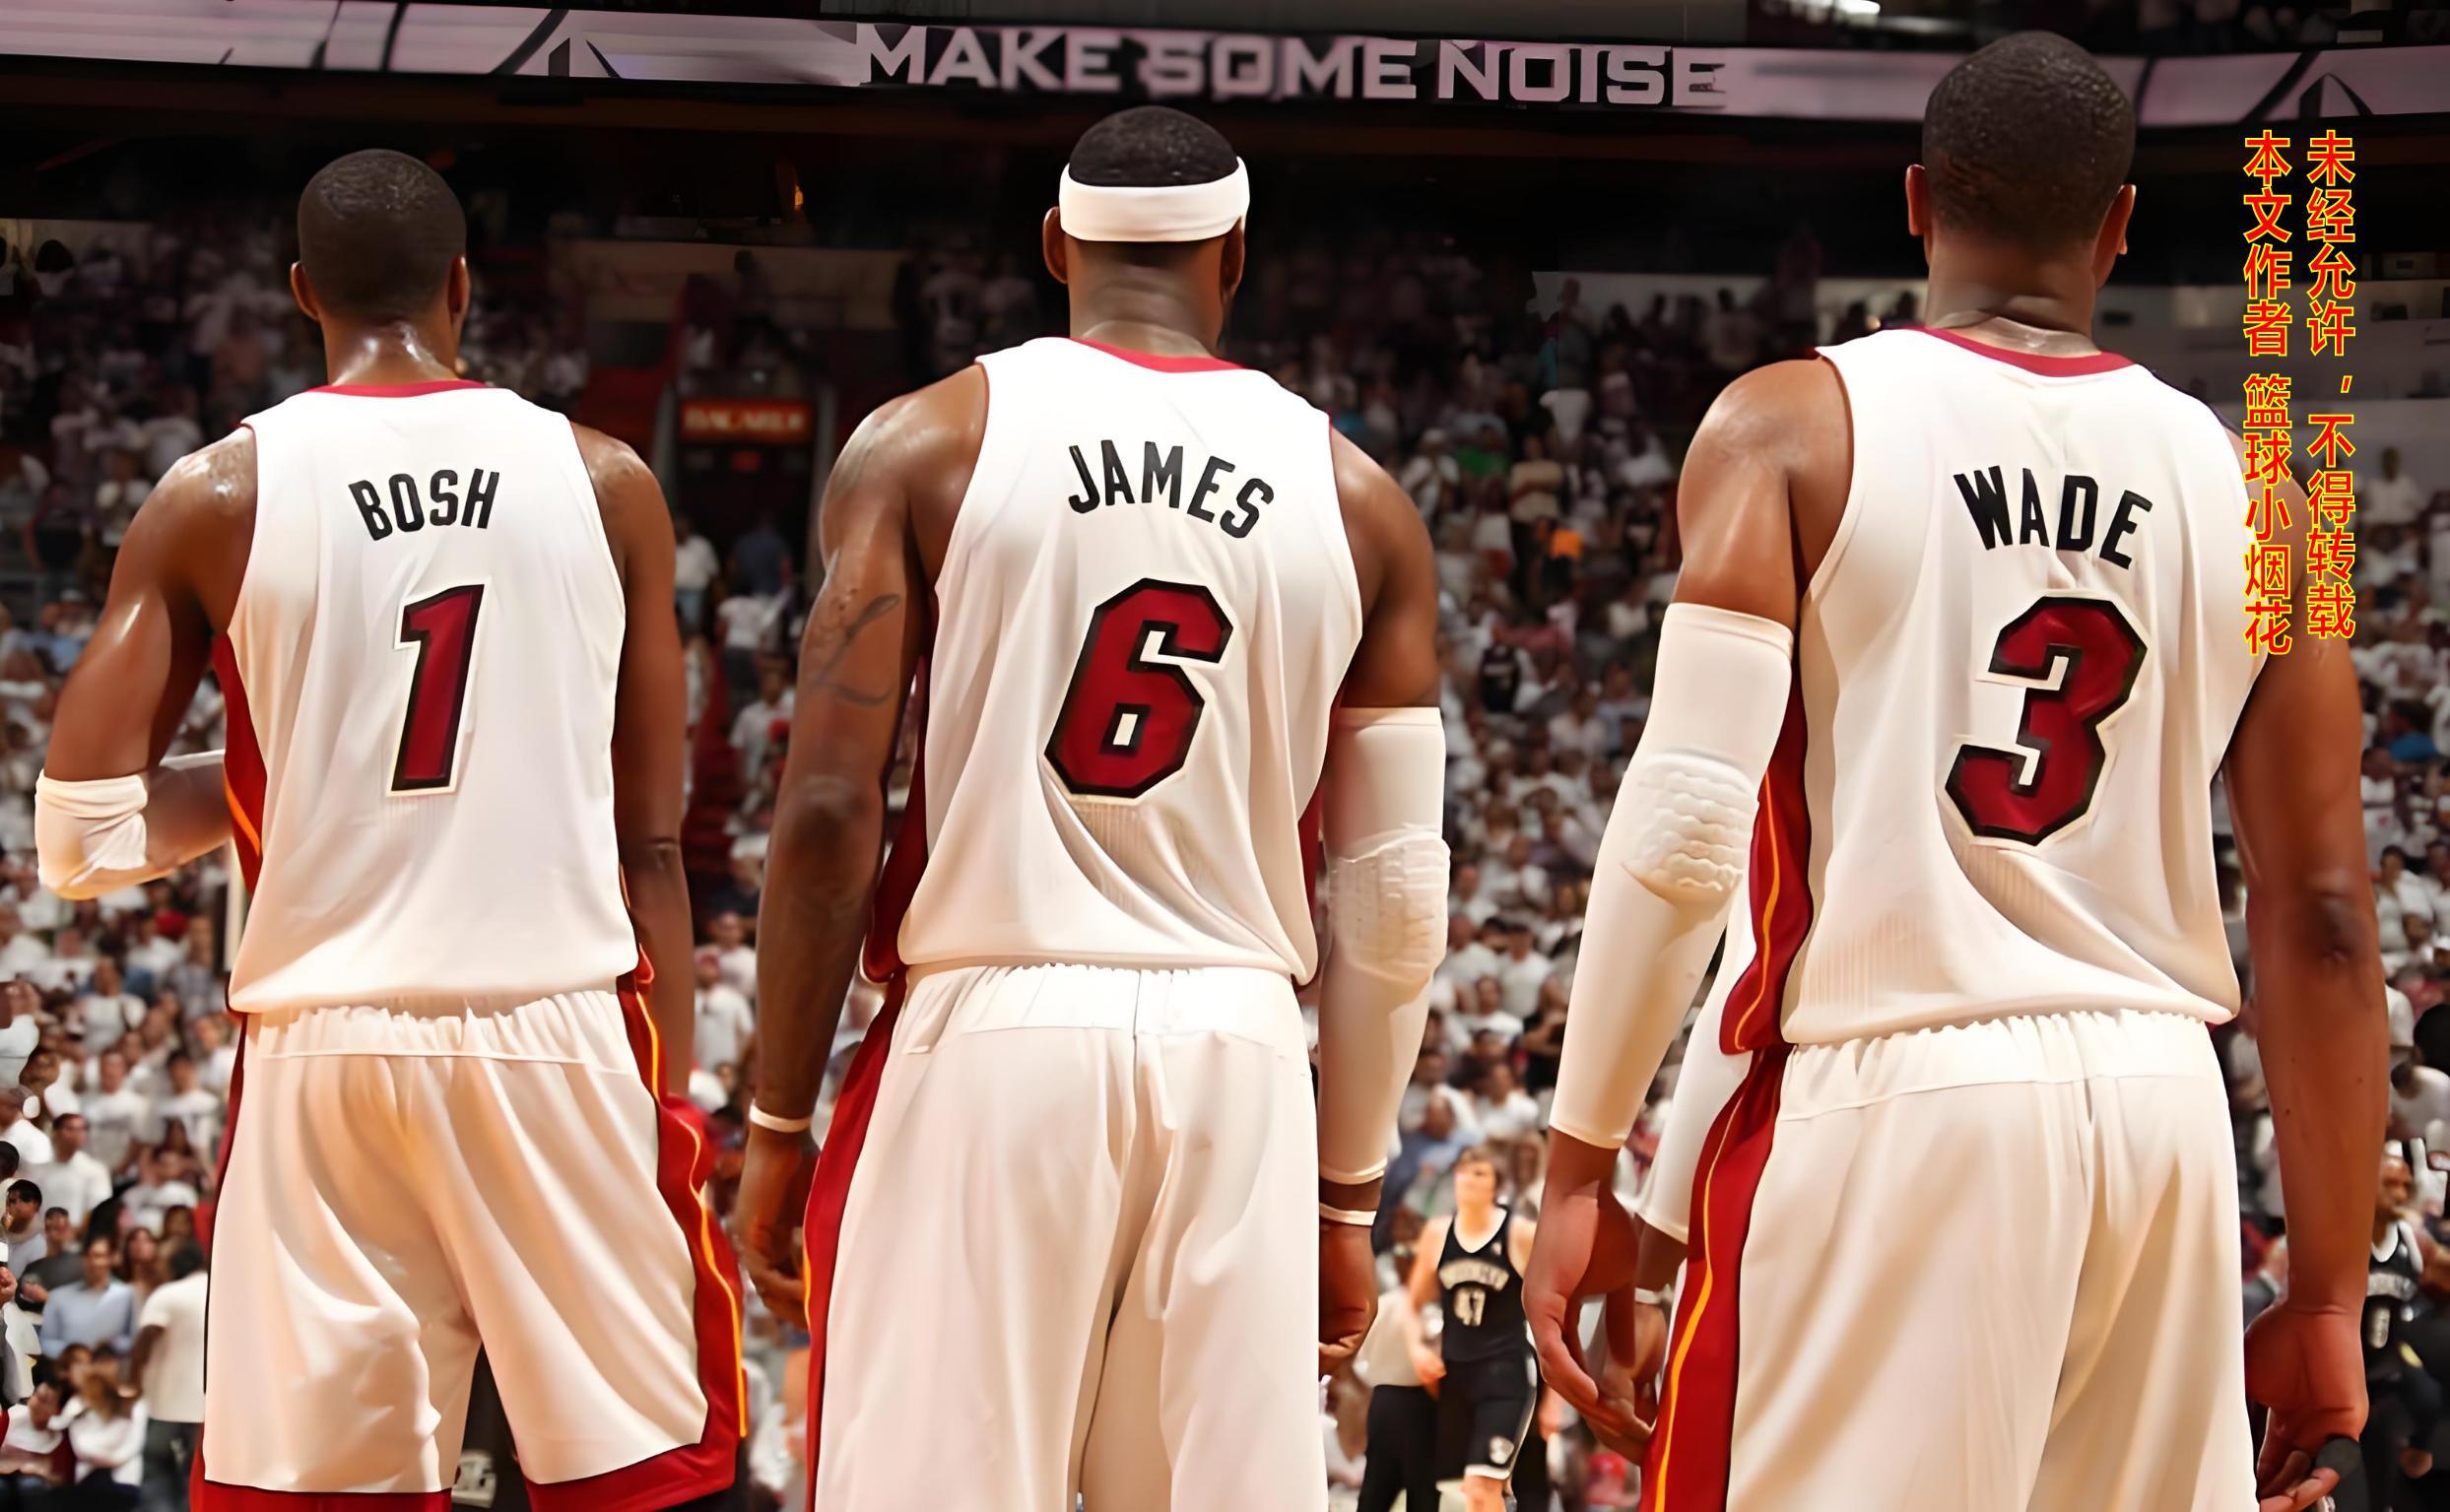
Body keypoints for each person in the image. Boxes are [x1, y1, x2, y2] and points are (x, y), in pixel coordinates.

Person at [1525, 33, 2385, 1512]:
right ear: (2118, 227)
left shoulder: (1786, 426)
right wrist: (2321, 1293)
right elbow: (2321, 917)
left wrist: (1580, 1158)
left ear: (1916, 204)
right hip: (2162, 1108)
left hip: (1900, 1088)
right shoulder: (2272, 498)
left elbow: (1691, 833)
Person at [732, 106, 1447, 1510]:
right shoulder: (1362, 502)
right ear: (1234, 254)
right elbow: (1395, 898)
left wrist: (774, 1115)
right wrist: (1346, 1195)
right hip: (1238, 1049)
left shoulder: (922, 443)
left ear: (1055, 244)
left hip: (992, 1027)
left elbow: (823, 808)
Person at [32, 150, 739, 1506]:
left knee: (320, 1490)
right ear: (463, 285)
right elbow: (653, 845)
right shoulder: (606, 480)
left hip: (322, 1044)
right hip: (554, 1025)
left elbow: (81, 842)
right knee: (647, 1468)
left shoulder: (215, 493)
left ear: (302, 291)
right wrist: (668, 1091)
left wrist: (290, 768)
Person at [1396, 1149, 1546, 1512]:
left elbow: (1551, 1309)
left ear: (1496, 1184)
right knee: (1463, 1493)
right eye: (1463, 1171)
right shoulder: (1437, 1233)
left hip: (1506, 1375)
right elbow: (1411, 1304)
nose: (1468, 1178)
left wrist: (1555, 1398)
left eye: (1479, 1172)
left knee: (1482, 1488)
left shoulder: (1520, 1233)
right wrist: (1417, 1349)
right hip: (1455, 1376)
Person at [2359, 1151, 2439, 1507]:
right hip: (2343, 1371)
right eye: (2390, 1184)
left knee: (2429, 1396)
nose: (2401, 1192)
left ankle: (2415, 1456)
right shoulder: (2345, 1235)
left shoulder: (2411, 1239)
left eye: (2406, 1185)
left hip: (2386, 1368)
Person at [130, 1241, 204, 1512]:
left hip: (167, 1406)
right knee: (194, 1485)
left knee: (158, 1477)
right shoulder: (223, 1293)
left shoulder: (168, 1294)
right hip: (208, 1411)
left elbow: (150, 1332)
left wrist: (133, 1376)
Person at [62, 1351, 142, 1509]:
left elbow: (133, 1444)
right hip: (89, 1483)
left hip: (125, 1483)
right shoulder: (78, 1405)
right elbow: (82, 1446)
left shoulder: (136, 1406)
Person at [39, 1240, 133, 1357]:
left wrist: (113, 1345)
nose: (93, 1262)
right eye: (87, 1256)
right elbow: (46, 1341)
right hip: (69, 1365)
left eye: (99, 1256)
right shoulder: (57, 1297)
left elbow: (136, 1339)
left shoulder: (127, 1295)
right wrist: (73, 1352)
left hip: (113, 1363)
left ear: (111, 1259)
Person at [30, 1117, 110, 1233]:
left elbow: (98, 1208)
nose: (77, 1134)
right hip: (40, 1234)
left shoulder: (96, 1170)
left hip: (77, 1238)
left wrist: (73, 1233)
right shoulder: (37, 1170)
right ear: (55, 1133)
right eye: (70, 1129)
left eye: (82, 1129)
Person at [0, 1379, 70, 1510]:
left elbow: (62, 1478)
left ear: (57, 1410)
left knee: (31, 1485)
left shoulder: (59, 1437)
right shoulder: (12, 1416)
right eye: (37, 1396)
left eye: (45, 1401)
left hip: (35, 1491)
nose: (37, 1403)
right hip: (6, 1481)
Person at [0, 1183, 38, 1268]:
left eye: (13, 1202)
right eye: (7, 1203)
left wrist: (7, 1231)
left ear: (32, 1204)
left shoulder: (37, 1243)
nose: (7, 1209)